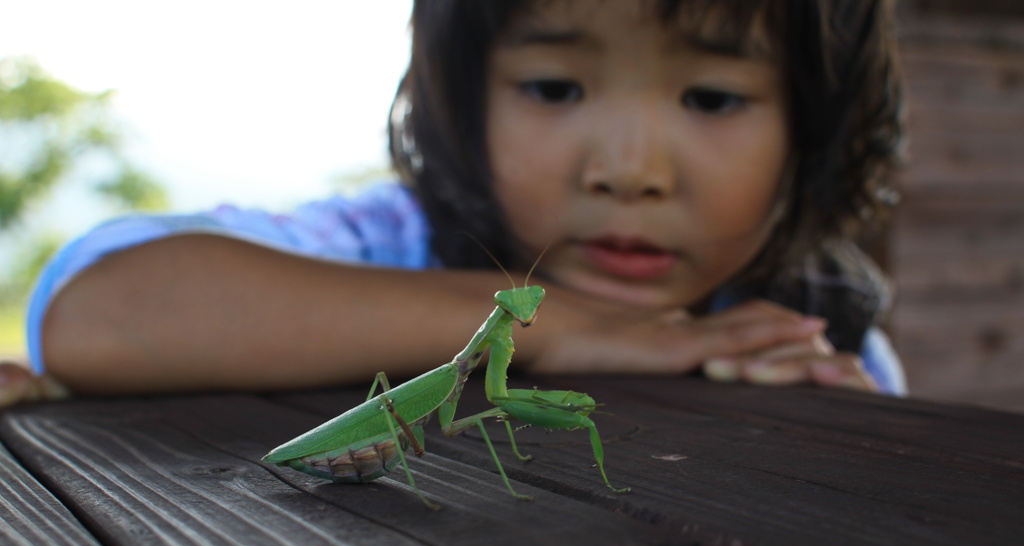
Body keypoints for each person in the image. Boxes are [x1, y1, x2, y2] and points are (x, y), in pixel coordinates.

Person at [9, 0, 907, 409]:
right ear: (462, 99)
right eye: (554, 87)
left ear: (812, 129)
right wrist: (577, 328)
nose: (629, 171)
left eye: (712, 99)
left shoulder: (819, 326)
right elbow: (95, 308)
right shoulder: (389, 242)